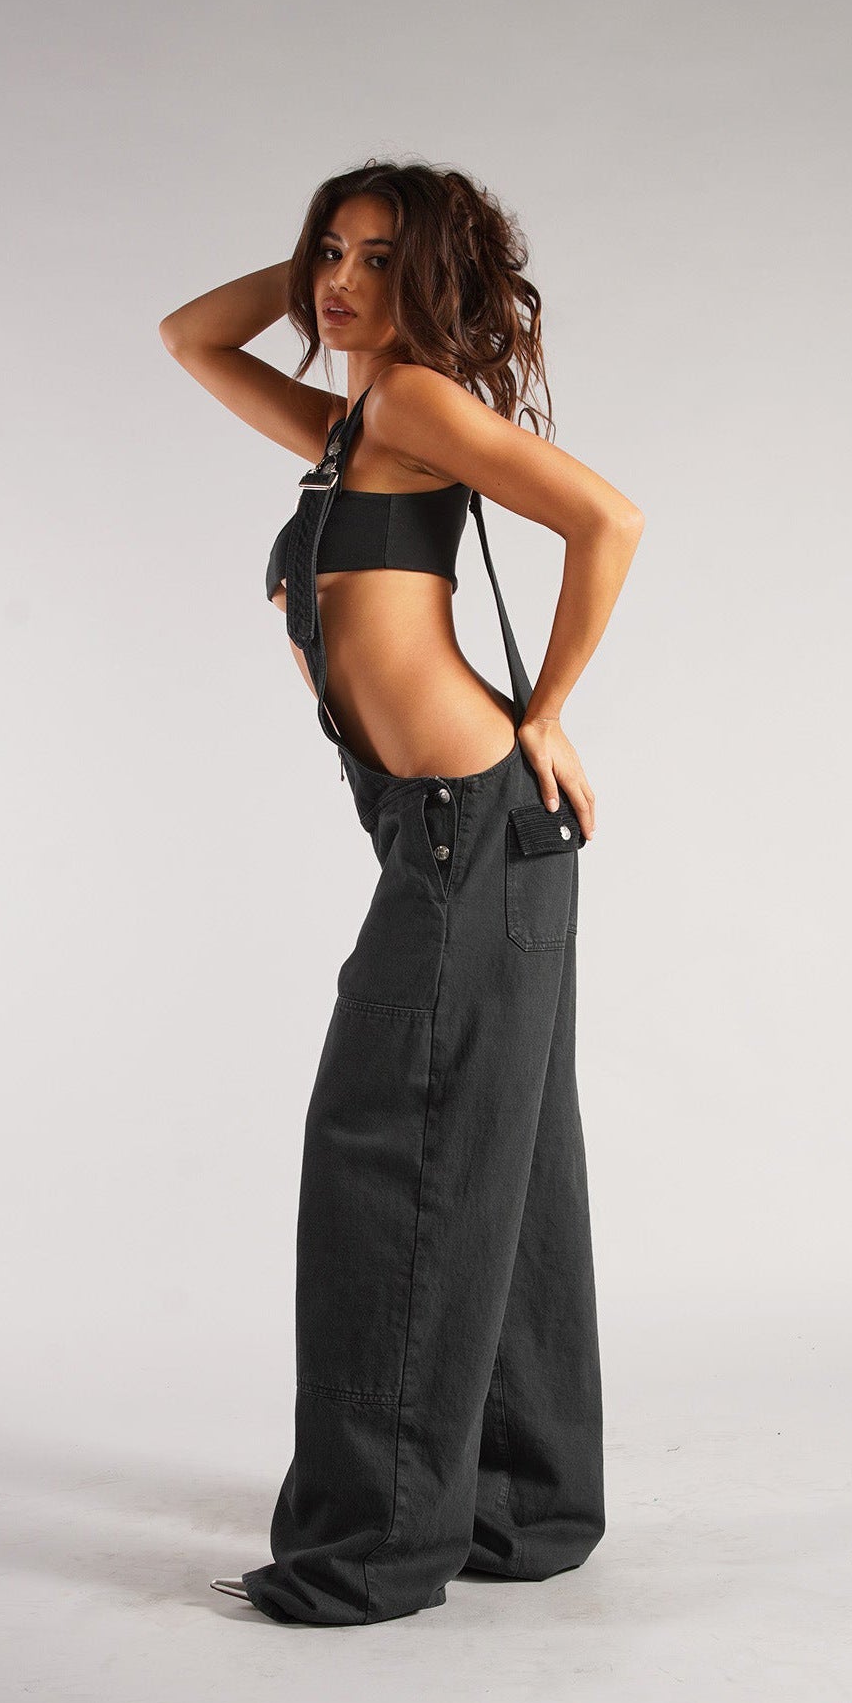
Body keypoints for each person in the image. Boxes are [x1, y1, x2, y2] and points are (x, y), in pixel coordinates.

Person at [158, 159, 644, 1625]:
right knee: (502, 1162)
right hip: (453, 836)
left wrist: (545, 713)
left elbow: (607, 521)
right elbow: (190, 336)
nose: (339, 282)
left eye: (378, 258)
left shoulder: (417, 402)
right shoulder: (353, 423)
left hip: (465, 829)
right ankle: (519, 1504)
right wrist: (309, 261)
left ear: (428, 278)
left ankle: (370, 1548)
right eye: (330, 252)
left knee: (392, 1157)